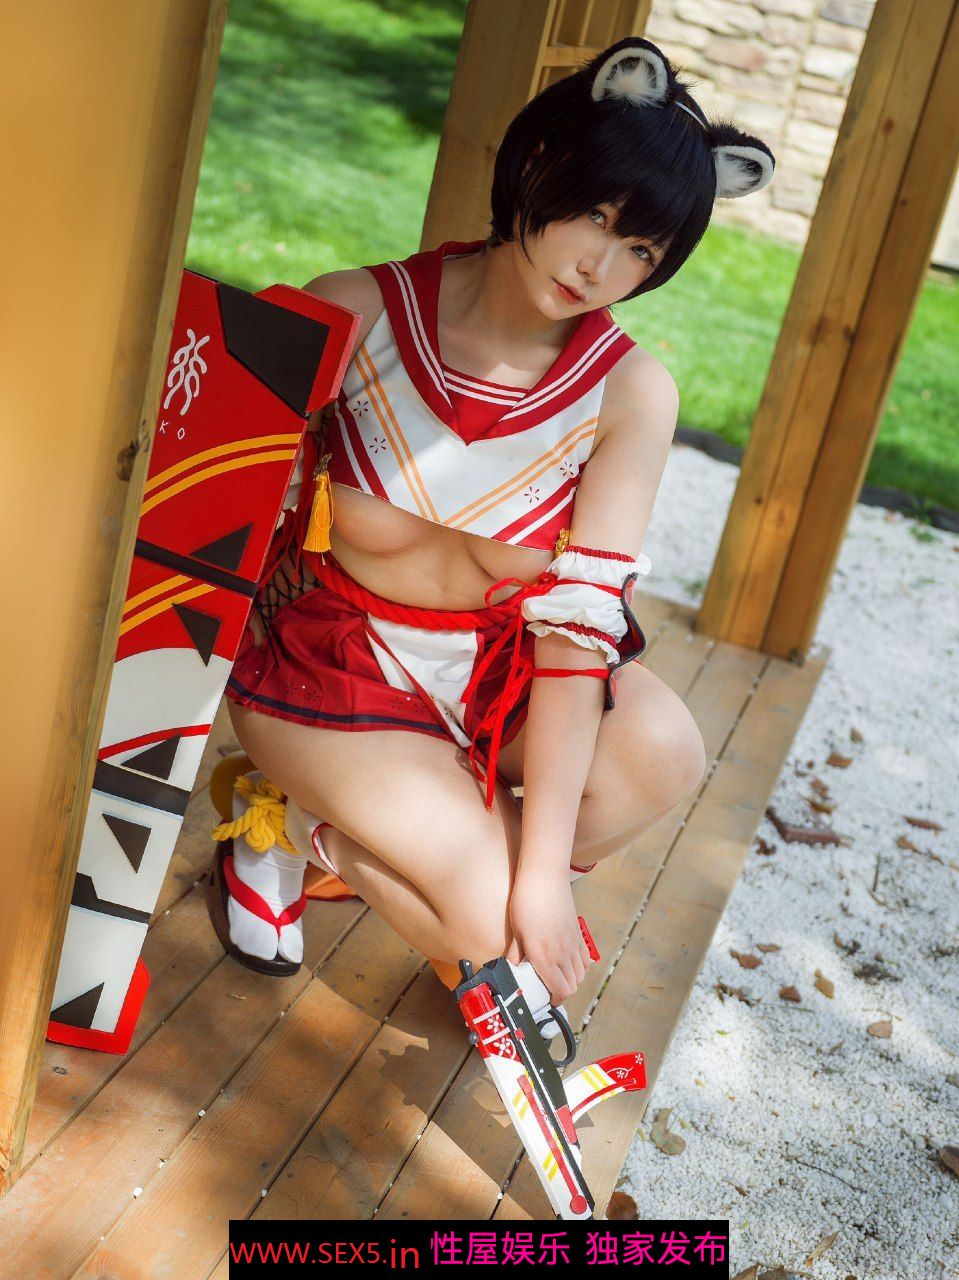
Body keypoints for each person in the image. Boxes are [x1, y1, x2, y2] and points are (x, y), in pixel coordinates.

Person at [207, 36, 775, 1040]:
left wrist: (544, 875)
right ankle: (324, 834)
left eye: (641, 252)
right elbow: (209, 493)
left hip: (495, 673)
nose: (601, 265)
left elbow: (574, 637)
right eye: (595, 216)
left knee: (659, 754)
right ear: (540, 159)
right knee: (483, 912)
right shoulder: (358, 312)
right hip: (330, 660)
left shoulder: (628, 392)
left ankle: (312, 835)